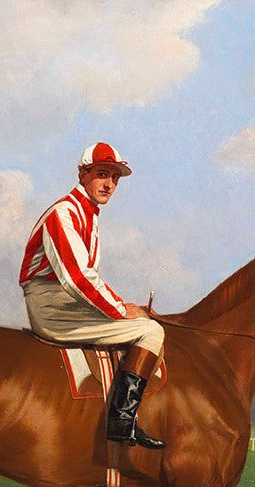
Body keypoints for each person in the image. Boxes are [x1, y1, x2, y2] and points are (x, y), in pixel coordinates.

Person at [19, 143, 166, 449]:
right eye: (101, 174)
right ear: (82, 175)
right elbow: (77, 277)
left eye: (115, 178)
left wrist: (124, 307)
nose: (109, 184)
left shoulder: (89, 215)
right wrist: (120, 310)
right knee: (151, 331)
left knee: (140, 320)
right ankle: (122, 421)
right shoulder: (64, 213)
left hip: (65, 300)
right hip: (51, 304)